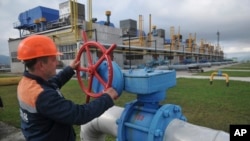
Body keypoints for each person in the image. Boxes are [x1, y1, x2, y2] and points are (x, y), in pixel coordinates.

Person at [16, 35, 118, 141]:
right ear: (41, 65)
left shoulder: (27, 83)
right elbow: (79, 114)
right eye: (53, 59)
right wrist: (107, 98)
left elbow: (53, 83)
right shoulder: (42, 96)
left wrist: (70, 69)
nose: (57, 63)